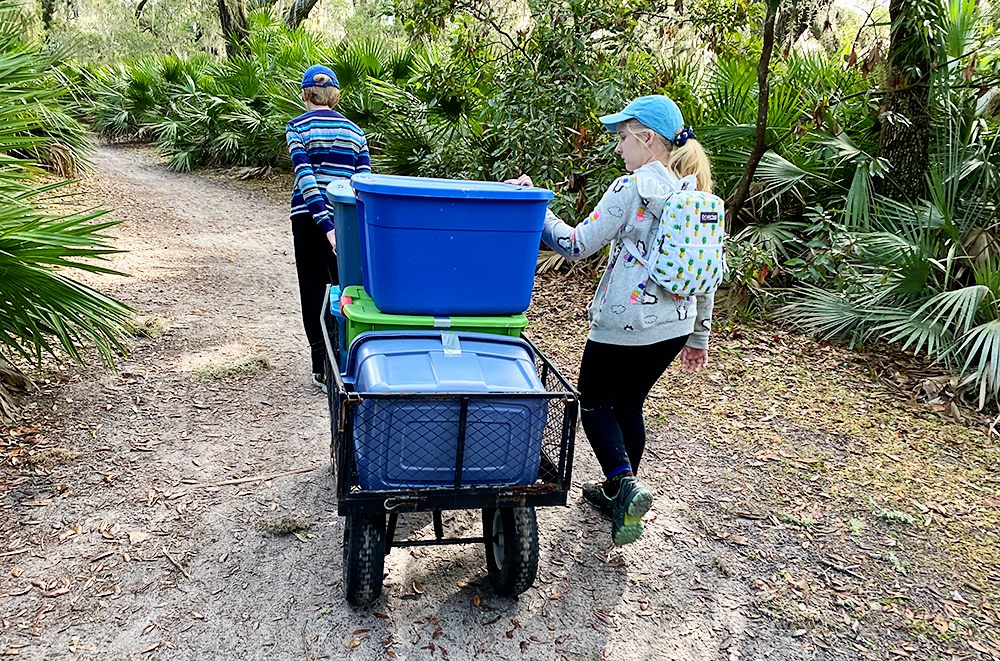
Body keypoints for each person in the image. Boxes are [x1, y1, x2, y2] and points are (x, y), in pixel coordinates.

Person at [507, 95, 714, 547]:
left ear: (647, 139)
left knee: (597, 403)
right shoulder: (695, 194)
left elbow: (577, 244)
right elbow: (706, 273)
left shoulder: (631, 188)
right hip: (675, 326)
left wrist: (536, 207)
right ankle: (619, 496)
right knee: (629, 405)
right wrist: (699, 334)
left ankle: (622, 484)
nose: (619, 149)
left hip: (624, 323)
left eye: (623, 139)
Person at [286, 64, 371, 392]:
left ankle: (322, 367)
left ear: (305, 94)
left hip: (308, 218)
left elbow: (305, 179)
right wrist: (341, 227)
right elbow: (362, 183)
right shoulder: (356, 132)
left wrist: (323, 224)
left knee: (314, 289)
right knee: (346, 289)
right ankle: (347, 360)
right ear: (335, 97)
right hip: (346, 221)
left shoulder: (296, 128)